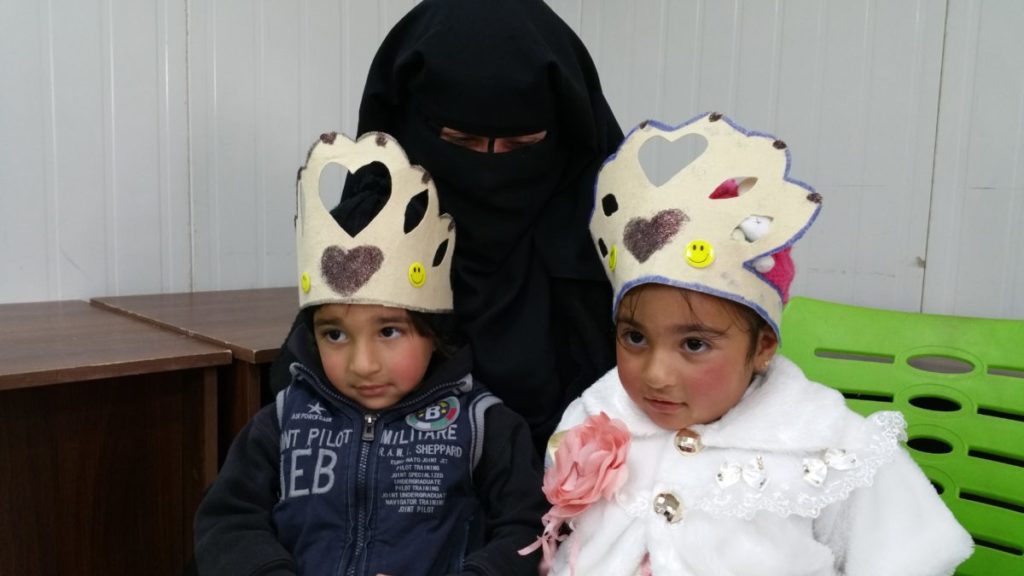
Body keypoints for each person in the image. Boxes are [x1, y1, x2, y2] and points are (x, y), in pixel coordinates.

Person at [525, 113, 974, 575]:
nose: (655, 374)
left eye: (694, 344)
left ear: (763, 346)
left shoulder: (829, 446)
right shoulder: (595, 416)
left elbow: (907, 561)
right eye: (635, 337)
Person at [269, 0, 625, 452]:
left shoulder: (598, 242)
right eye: (461, 141)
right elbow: (299, 415)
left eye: (522, 144)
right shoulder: (369, 228)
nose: (490, 168)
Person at [195, 132, 547, 576]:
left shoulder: (483, 428)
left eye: (389, 331)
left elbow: (527, 530)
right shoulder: (283, 422)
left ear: (434, 333)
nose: (362, 364)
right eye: (335, 335)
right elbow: (227, 522)